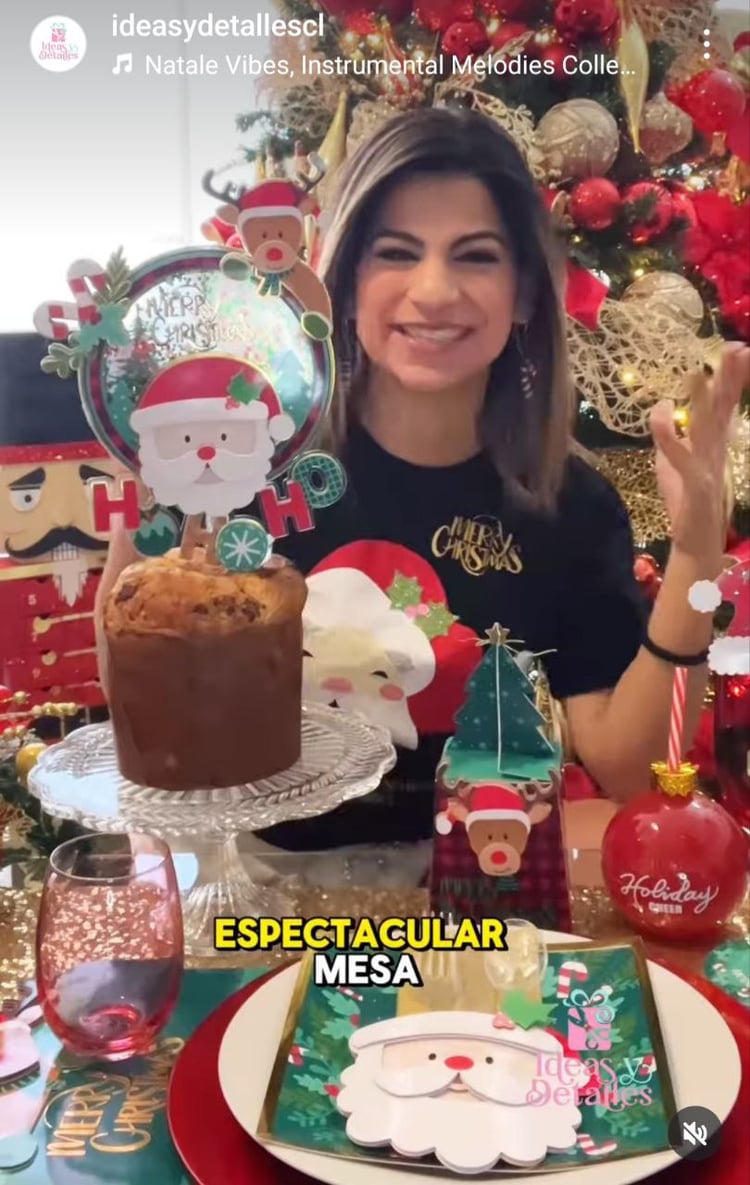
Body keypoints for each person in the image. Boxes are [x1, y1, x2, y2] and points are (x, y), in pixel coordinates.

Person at [95, 107, 749, 848]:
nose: (434, 291)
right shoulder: (246, 465)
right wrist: (144, 513)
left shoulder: (573, 506)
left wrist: (695, 557)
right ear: (346, 283)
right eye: (397, 253)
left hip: (478, 888)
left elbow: (632, 771)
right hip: (265, 889)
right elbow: (149, 708)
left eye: (475, 256)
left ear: (525, 292)